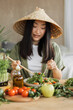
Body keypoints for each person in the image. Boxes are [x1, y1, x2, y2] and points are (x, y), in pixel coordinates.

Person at [9, 7, 65, 80]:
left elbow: (58, 78)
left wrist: (54, 68)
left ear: (46, 30)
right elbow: (12, 78)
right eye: (34, 26)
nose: (37, 31)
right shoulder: (18, 47)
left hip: (47, 88)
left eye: (42, 28)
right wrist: (15, 69)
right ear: (29, 28)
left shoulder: (54, 48)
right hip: (25, 90)